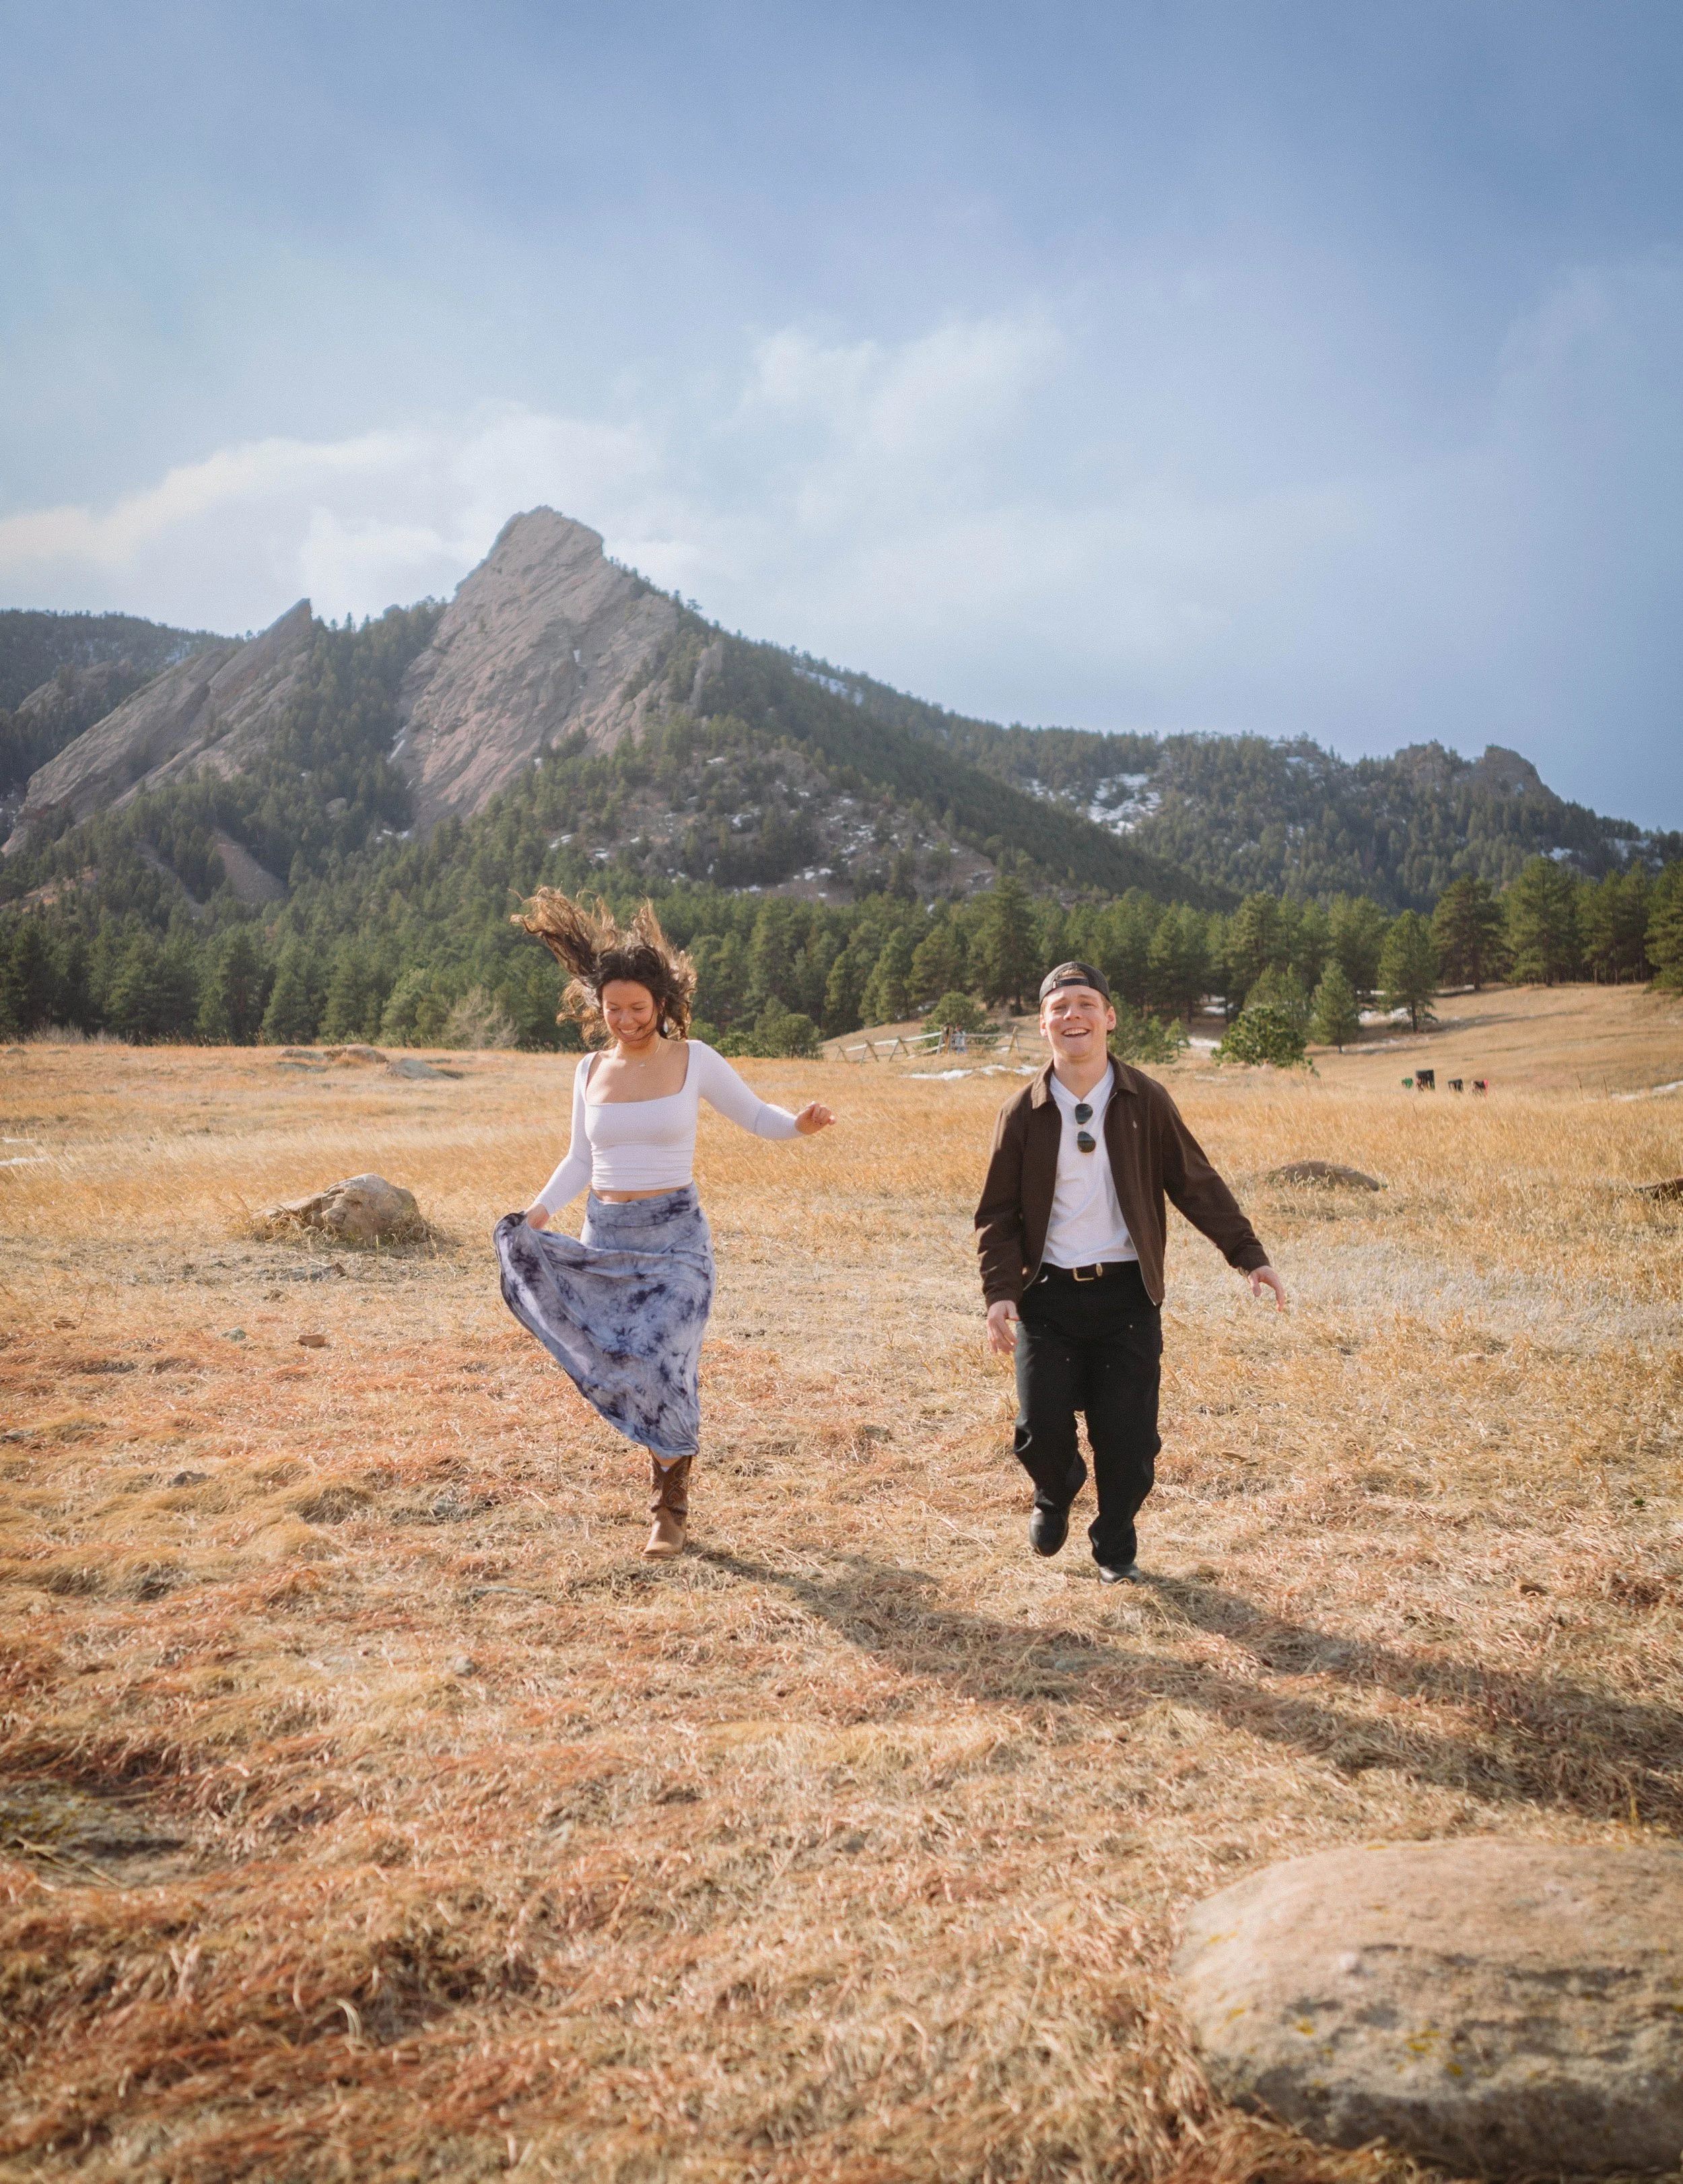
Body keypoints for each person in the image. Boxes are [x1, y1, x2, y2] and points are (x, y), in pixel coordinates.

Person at [493, 891, 835, 1560]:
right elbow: (579, 1158)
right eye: (612, 1009)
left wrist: (800, 1122)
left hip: (676, 1240)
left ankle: (668, 1507)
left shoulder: (694, 1059)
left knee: (663, 1361)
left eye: (636, 1008)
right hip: (607, 1236)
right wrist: (533, 1216)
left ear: (661, 1001)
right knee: (623, 1365)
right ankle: (667, 1481)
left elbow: (759, 1117)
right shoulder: (588, 1070)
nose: (624, 1020)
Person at [974, 961, 1285, 1583]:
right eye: (1060, 1008)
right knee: (1040, 1430)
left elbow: (1195, 1184)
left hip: (1126, 1298)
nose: (1074, 1017)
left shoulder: (1146, 1099)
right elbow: (997, 1214)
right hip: (1048, 1299)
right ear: (1043, 1025)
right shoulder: (1023, 1112)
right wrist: (1000, 1292)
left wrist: (1250, 1255)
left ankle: (1115, 1546)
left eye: (1086, 1004)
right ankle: (1056, 1492)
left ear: (1110, 1018)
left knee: (1131, 1444)